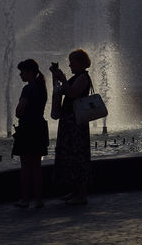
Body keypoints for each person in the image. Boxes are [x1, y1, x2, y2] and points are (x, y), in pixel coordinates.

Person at [50, 48, 93, 205]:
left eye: (72, 62)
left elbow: (72, 93)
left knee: (77, 156)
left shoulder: (83, 77)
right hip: (69, 121)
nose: (69, 65)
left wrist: (63, 78)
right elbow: (60, 91)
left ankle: (81, 194)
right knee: (69, 155)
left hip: (76, 123)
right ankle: (75, 191)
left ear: (81, 63)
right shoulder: (76, 77)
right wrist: (56, 77)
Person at [12, 58, 49, 208]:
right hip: (39, 128)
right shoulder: (42, 87)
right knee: (37, 166)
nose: (20, 75)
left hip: (27, 129)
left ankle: (25, 199)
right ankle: (38, 199)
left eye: (22, 72)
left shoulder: (28, 88)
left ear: (30, 72)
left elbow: (19, 110)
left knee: (26, 166)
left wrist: (19, 114)